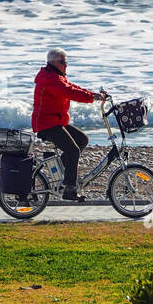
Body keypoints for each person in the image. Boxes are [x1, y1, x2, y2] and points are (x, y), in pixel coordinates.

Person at [32, 48, 102, 200]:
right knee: (73, 150)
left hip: (56, 121)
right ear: (54, 63)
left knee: (82, 140)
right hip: (47, 124)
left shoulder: (57, 76)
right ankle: (69, 189)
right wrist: (92, 98)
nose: (66, 65)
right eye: (64, 62)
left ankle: (59, 170)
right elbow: (69, 92)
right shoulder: (50, 79)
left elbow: (73, 87)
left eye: (66, 62)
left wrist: (93, 94)